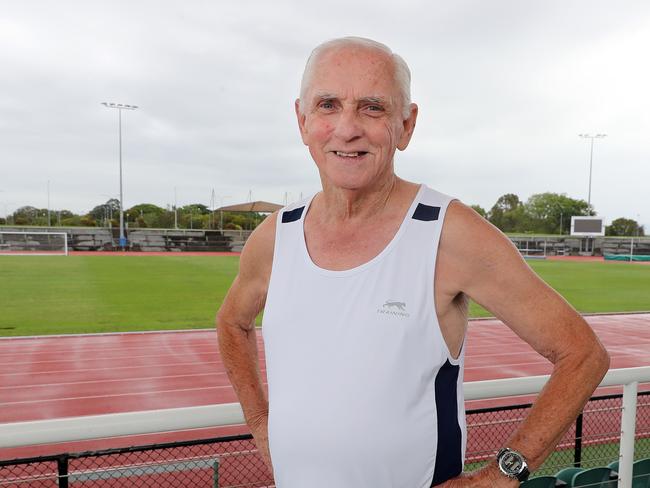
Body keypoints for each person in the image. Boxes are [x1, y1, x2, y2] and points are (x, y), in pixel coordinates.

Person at [217, 37, 610, 487]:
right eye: (328, 105)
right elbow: (232, 322)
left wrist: (502, 475)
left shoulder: (447, 232)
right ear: (302, 120)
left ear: (406, 125)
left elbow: (582, 353)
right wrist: (262, 423)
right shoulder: (275, 236)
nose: (347, 128)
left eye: (372, 108)